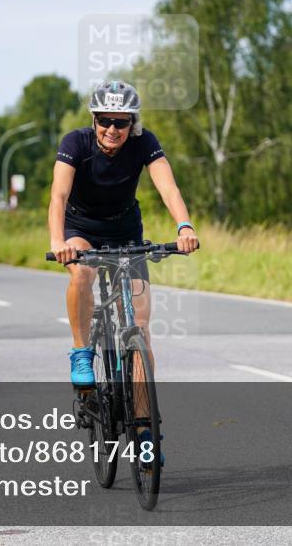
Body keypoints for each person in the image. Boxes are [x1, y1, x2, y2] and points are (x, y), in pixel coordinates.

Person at [49, 80, 200, 390]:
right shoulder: (75, 143)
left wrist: (184, 226)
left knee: (140, 328)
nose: (112, 129)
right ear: (94, 120)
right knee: (82, 275)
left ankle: (144, 415)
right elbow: (58, 196)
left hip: (125, 230)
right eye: (105, 120)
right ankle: (81, 353)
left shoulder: (144, 142)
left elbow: (169, 189)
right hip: (82, 227)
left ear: (132, 123)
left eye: (121, 122)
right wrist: (57, 241)